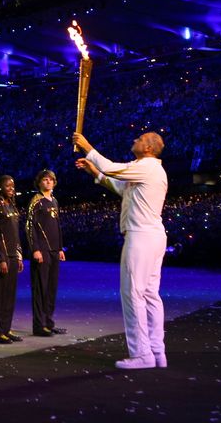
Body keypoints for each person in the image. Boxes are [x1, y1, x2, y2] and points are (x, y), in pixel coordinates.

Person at [74, 131, 169, 370]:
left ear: (148, 147)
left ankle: (141, 355)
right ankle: (157, 351)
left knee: (133, 294)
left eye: (139, 139)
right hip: (153, 236)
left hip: (141, 236)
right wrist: (94, 173)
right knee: (149, 295)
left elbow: (112, 167)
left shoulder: (147, 166)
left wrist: (87, 146)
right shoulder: (148, 169)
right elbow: (119, 186)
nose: (133, 140)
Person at [26, 169, 66, 337]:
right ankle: (39, 325)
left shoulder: (54, 201)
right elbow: (30, 226)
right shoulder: (36, 201)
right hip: (42, 250)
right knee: (40, 289)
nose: (48, 182)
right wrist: (35, 249)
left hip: (54, 251)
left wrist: (60, 248)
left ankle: (49, 323)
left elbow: (57, 226)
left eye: (51, 179)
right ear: (39, 182)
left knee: (51, 288)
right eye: (45, 179)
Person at [0, 175, 24, 344]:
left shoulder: (12, 207)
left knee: (10, 295)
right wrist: (0, 258)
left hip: (12, 255)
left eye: (13, 185)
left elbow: (16, 235)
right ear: (0, 188)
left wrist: (18, 255)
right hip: (3, 257)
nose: (11, 188)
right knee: (1, 295)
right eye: (8, 186)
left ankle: (6, 329)